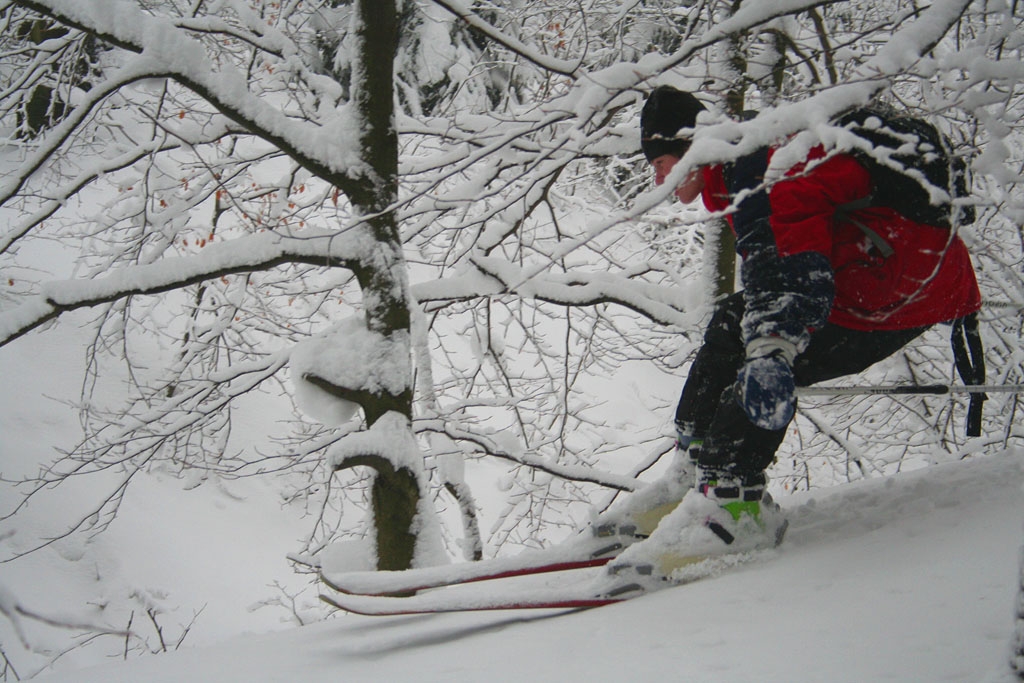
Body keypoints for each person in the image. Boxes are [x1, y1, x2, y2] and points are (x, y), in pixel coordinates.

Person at [605, 85, 981, 574]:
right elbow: (776, 262)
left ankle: (735, 504)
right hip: (870, 280)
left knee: (766, 361)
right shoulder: (747, 164)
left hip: (894, 297)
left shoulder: (769, 171)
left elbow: (790, 267)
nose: (658, 175)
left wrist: (772, 348)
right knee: (730, 327)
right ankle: (694, 471)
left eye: (663, 161)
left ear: (692, 152)